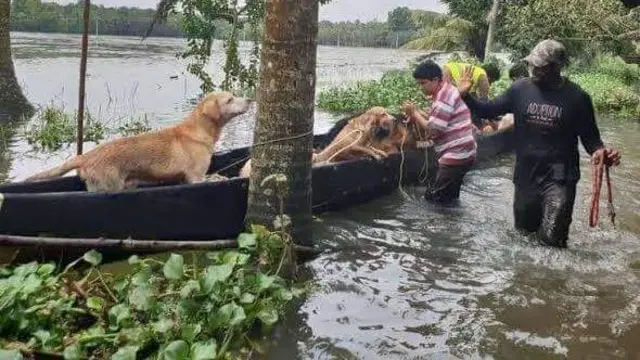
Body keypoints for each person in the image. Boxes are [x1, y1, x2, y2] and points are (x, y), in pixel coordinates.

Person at [456, 39, 621, 248]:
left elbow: (592, 141)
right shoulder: (519, 90)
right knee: (523, 238)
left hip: (560, 179)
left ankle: (552, 280)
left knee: (553, 243)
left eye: (539, 66)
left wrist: (601, 152)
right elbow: (487, 110)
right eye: (531, 64)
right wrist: (465, 96)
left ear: (555, 67)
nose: (533, 69)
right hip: (526, 176)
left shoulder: (578, 98)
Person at [402, 60, 477, 205]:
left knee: (434, 201)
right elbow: (436, 119)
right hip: (465, 153)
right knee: (449, 197)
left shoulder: (442, 98)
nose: (421, 87)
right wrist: (416, 112)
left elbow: (433, 129)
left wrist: (414, 114)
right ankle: (452, 222)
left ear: (435, 80)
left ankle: (445, 225)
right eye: (419, 83)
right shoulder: (446, 91)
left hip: (456, 155)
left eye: (423, 83)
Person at [443, 61, 501, 131]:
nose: (490, 84)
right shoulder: (483, 76)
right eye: (492, 81)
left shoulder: (475, 74)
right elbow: (484, 103)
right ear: (489, 77)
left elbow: (471, 99)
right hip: (448, 74)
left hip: (447, 69)